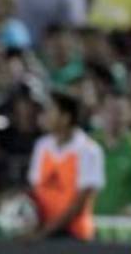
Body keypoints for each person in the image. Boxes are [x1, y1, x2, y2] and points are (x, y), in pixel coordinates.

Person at [24, 91, 106, 241]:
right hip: (43, 235)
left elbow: (79, 205)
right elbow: (35, 190)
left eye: (51, 111)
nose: (45, 116)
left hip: (75, 237)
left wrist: (45, 233)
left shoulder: (89, 151)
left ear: (65, 118)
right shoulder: (42, 146)